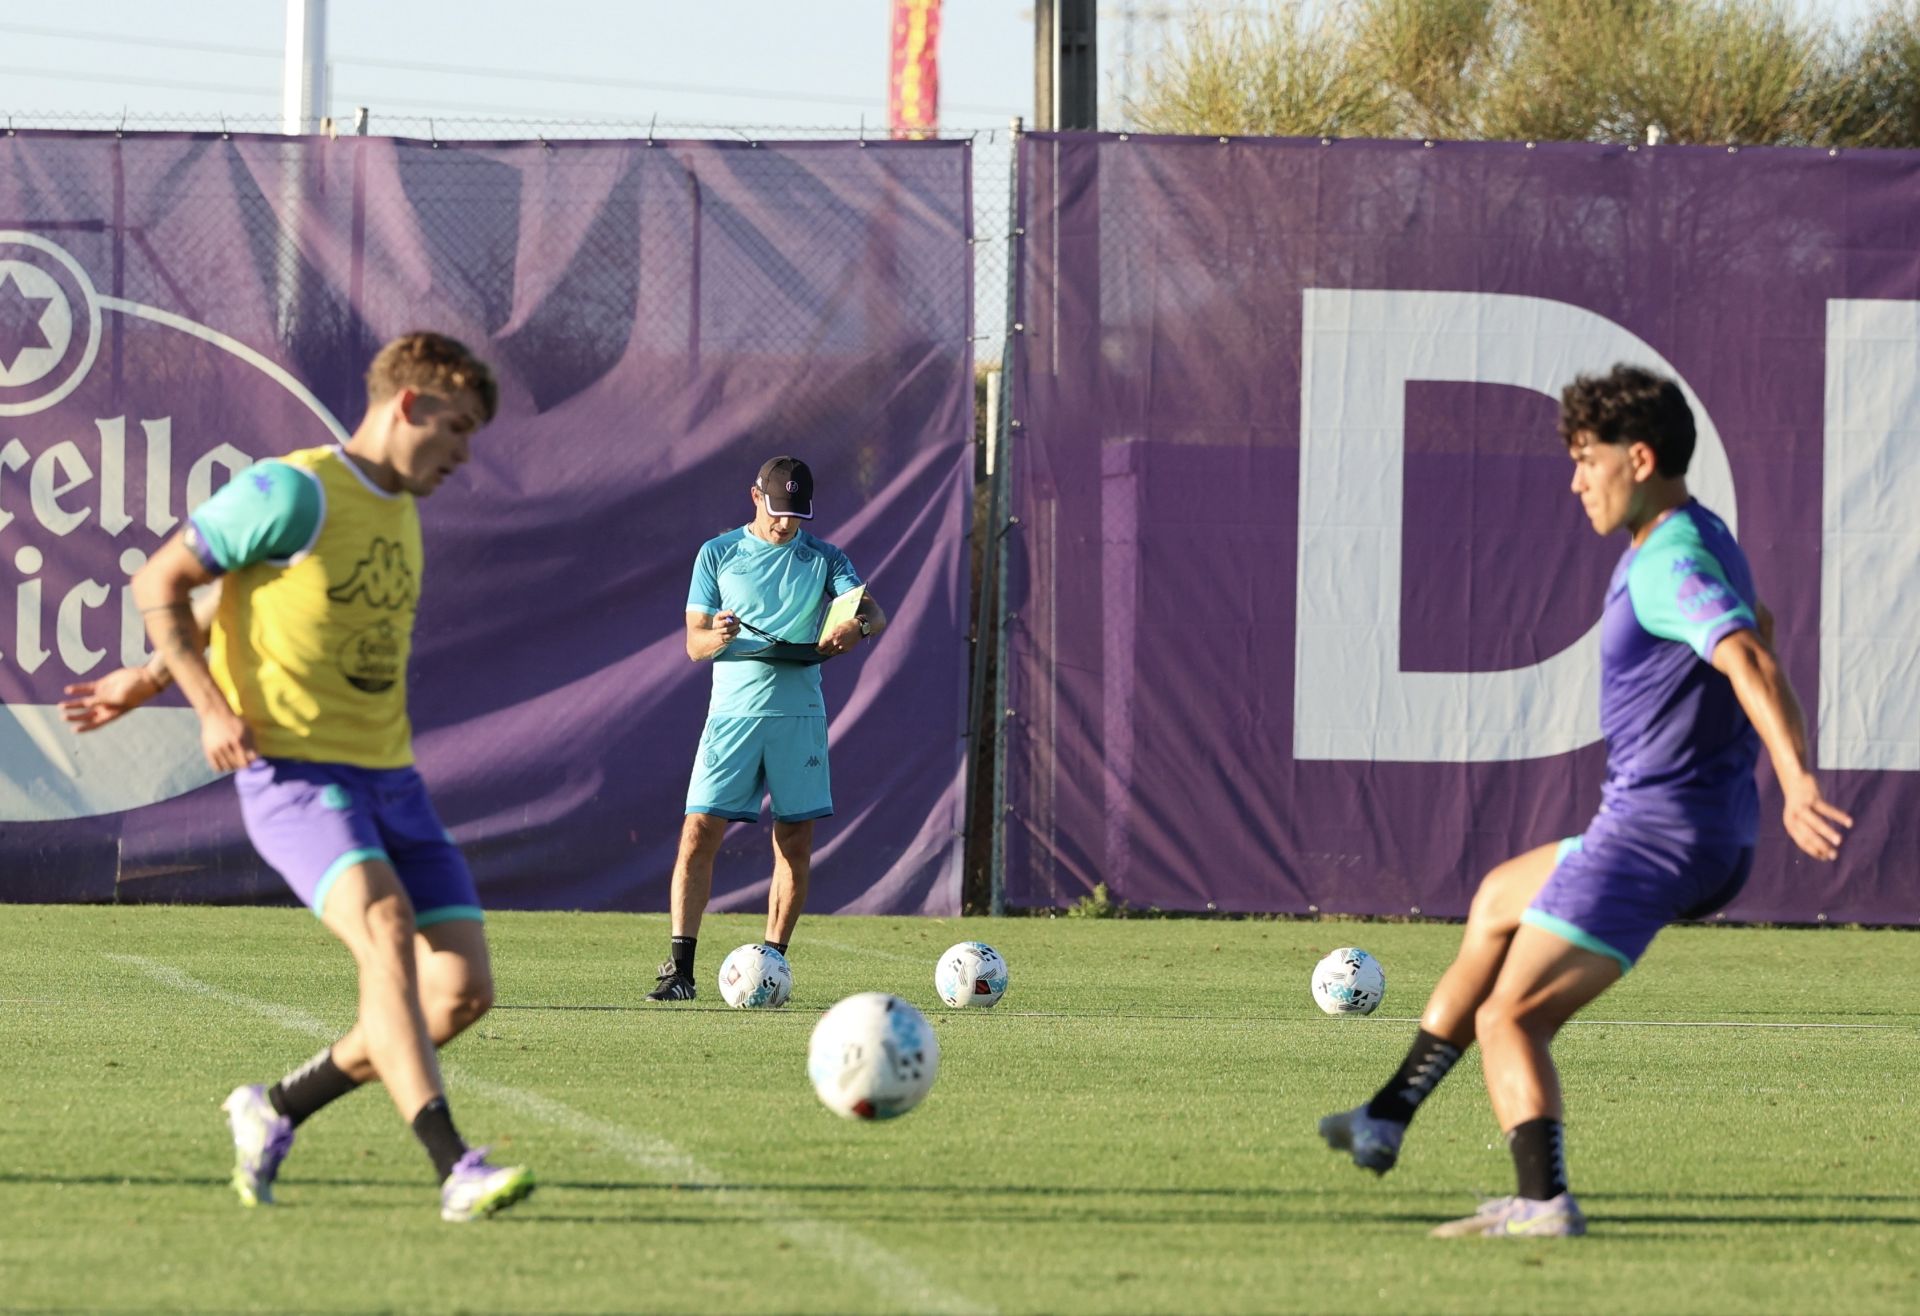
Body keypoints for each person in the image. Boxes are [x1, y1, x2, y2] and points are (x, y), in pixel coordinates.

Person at [1317, 364, 1852, 1239]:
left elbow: (1750, 658)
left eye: (1585, 460)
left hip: (1655, 836)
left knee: (1511, 1016)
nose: (1576, 482)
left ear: (1638, 459)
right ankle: (1387, 1115)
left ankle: (1542, 1203)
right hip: (1689, 828)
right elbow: (1764, 633)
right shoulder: (1704, 535)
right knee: (1499, 898)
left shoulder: (1669, 559)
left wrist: (1796, 781)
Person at [62, 332, 534, 1222]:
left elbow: (234, 599)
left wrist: (147, 677)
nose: (465, 454)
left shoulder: (398, 508)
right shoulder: (295, 489)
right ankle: (453, 1166)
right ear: (410, 404)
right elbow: (163, 579)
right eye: (459, 428)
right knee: (386, 931)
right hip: (295, 778)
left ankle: (276, 1107)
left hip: (392, 780)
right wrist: (203, 703)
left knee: (461, 994)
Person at [646, 455, 888, 1001]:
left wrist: (858, 627)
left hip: (799, 718)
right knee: (698, 833)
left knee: (794, 842)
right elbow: (694, 644)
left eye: (796, 513)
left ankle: (772, 965)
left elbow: (873, 612)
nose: (785, 523)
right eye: (778, 510)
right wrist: (718, 635)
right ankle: (679, 972)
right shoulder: (717, 553)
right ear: (755, 496)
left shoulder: (825, 558)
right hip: (731, 718)